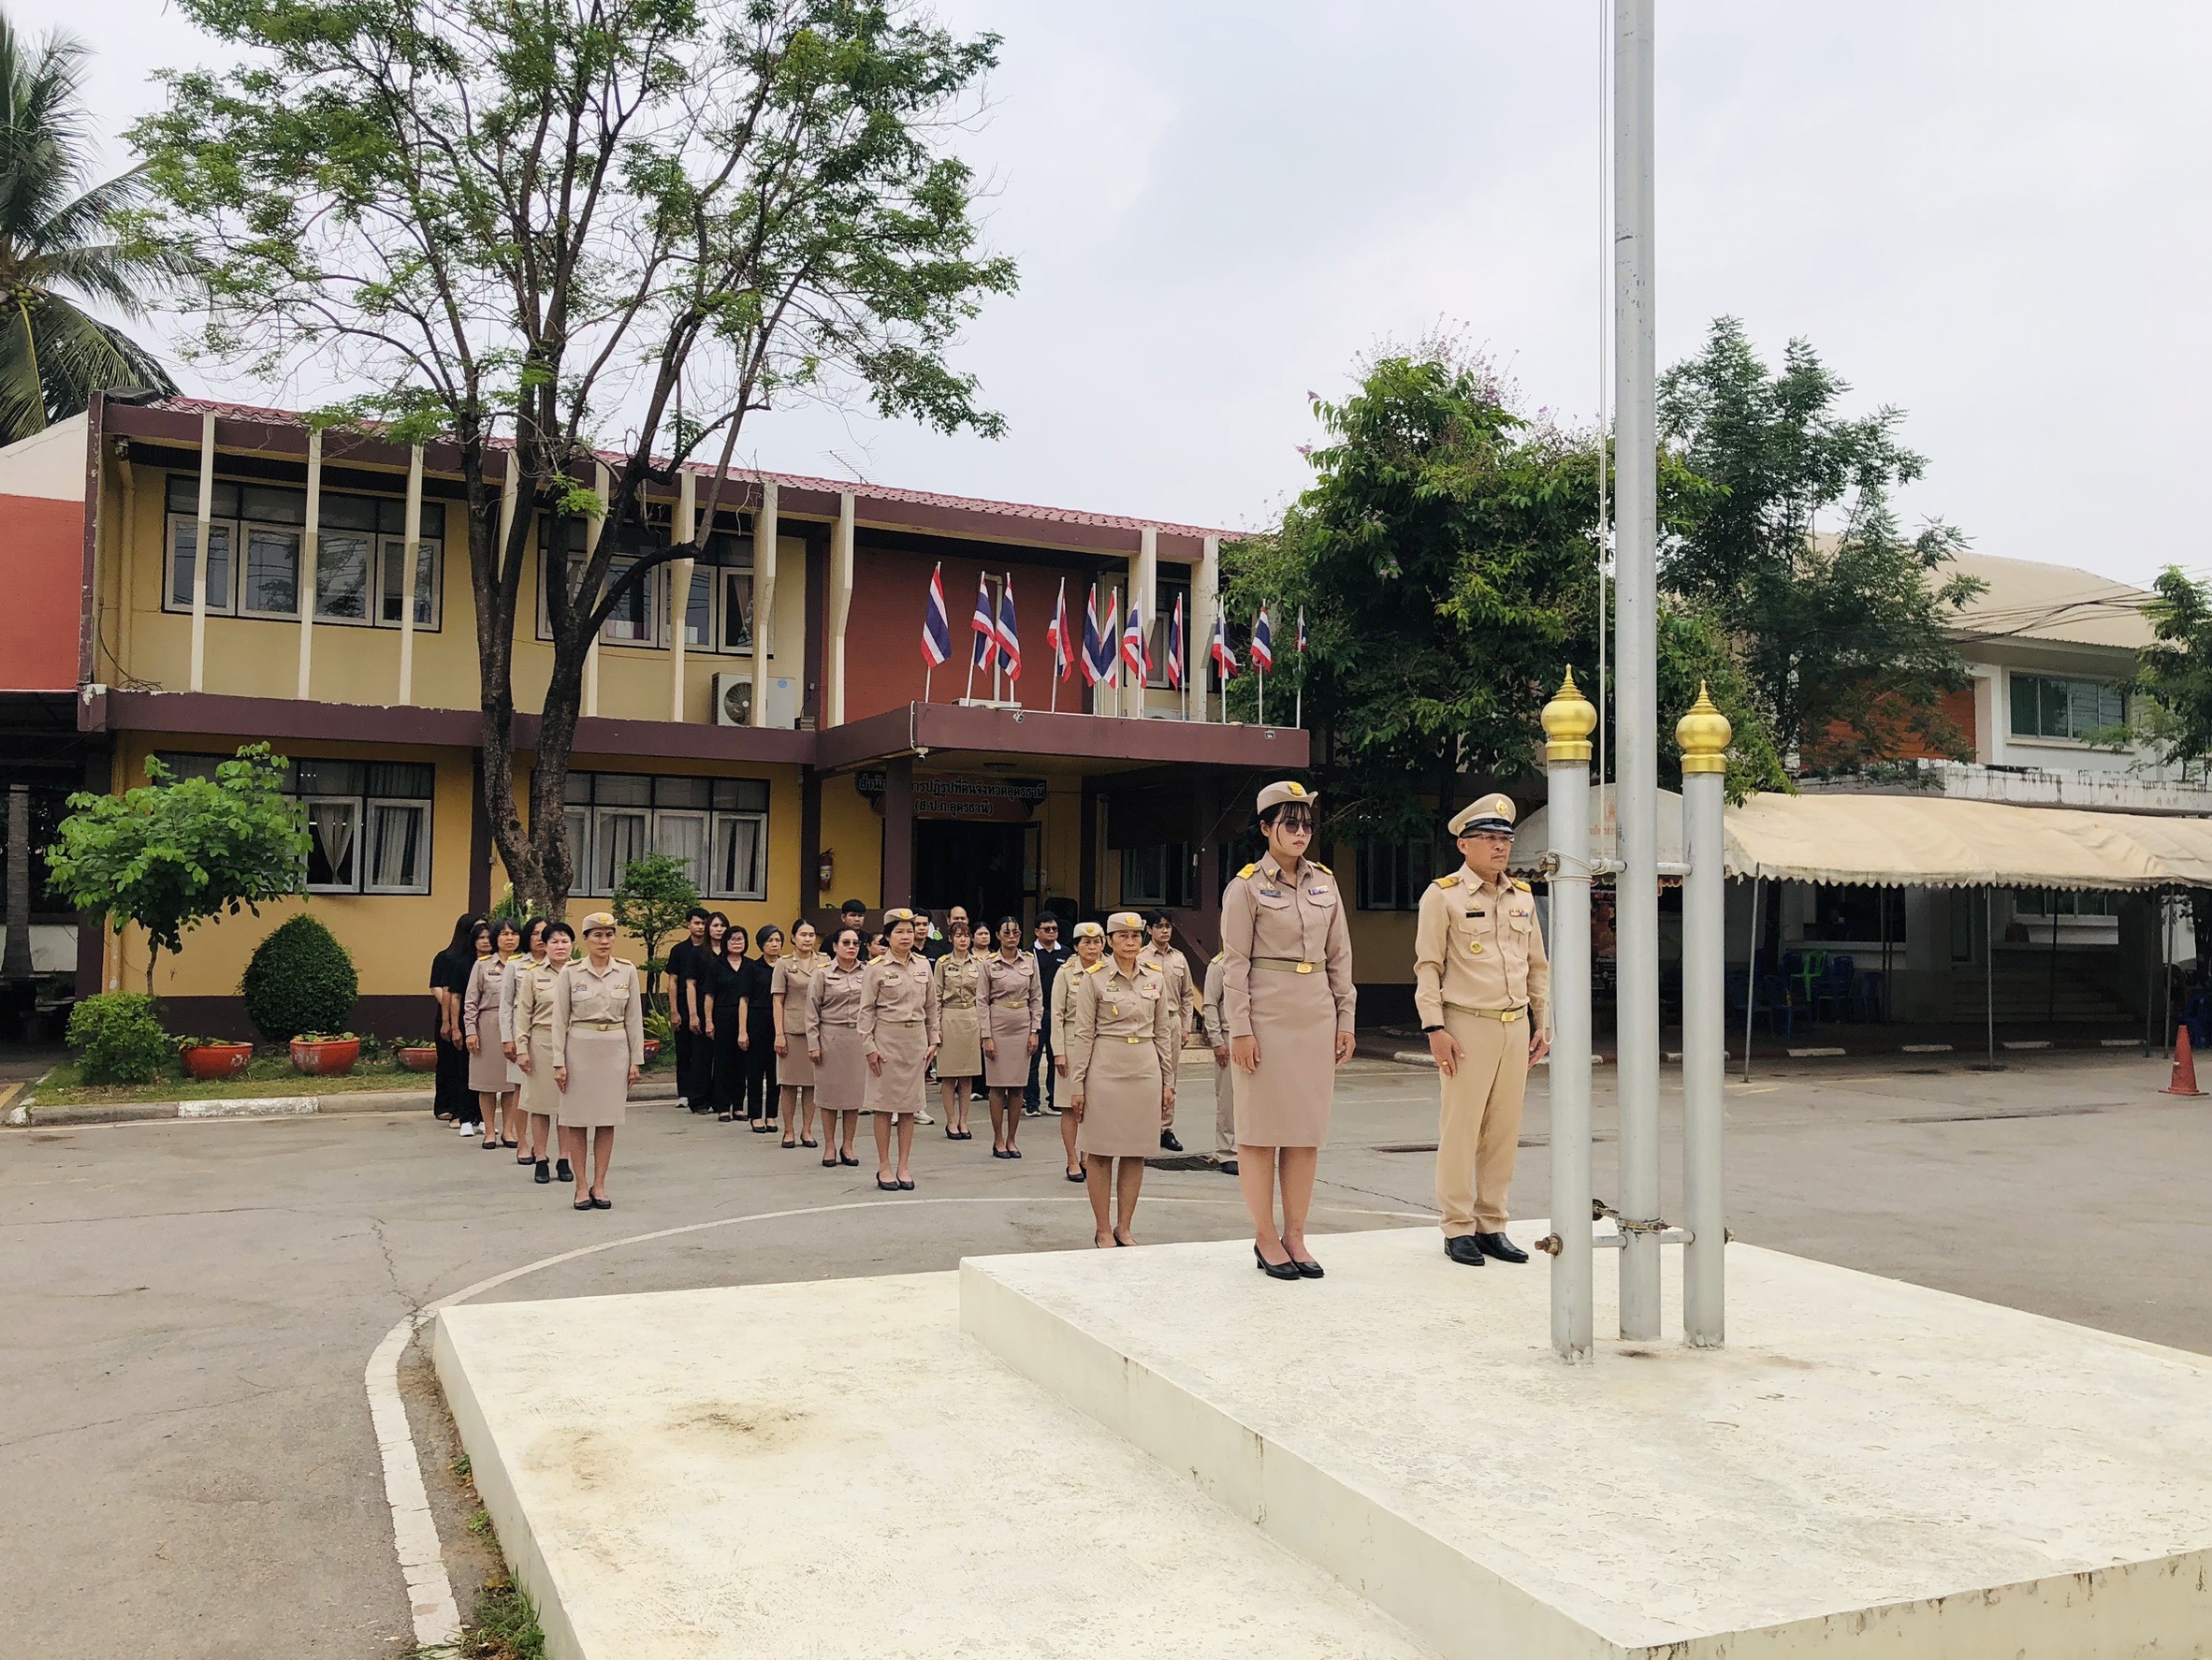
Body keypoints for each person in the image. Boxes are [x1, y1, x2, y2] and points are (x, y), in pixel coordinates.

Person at [1223, 779, 1355, 1281]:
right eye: (1290, 823)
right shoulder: (1246, 887)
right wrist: (1240, 1029)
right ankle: (1265, 1235)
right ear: (1266, 828)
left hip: (1314, 1015)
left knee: (1304, 1134)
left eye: (1307, 824)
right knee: (1259, 1134)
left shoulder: (1326, 883)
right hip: (1265, 1016)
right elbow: (1234, 964)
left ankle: (1297, 1233)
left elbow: (1339, 955)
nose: (1301, 833)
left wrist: (1346, 1017)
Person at [1417, 794, 1550, 1268]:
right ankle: (1457, 1226)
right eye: (1490, 839)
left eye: (1505, 839)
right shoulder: (1444, 895)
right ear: (1463, 844)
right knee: (1461, 1129)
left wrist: (1543, 1022)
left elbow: (1537, 965)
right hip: (1465, 1025)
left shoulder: (1523, 896)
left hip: (1514, 1026)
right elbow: (1428, 966)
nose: (1500, 847)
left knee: (1503, 1131)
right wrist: (1434, 1027)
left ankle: (1492, 1222)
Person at [1067, 911, 1177, 1248]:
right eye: (1122, 937)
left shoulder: (1155, 978)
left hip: (1144, 1069)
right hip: (1105, 1068)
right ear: (1109, 942)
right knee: (1100, 1151)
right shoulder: (1094, 978)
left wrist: (1168, 1081)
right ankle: (1102, 1228)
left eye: (1135, 936)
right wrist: (1077, 1084)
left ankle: (1124, 1227)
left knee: (1135, 1151)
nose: (1130, 942)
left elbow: (1163, 1032)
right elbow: (1083, 1034)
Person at [551, 911, 644, 1211]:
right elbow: (559, 1020)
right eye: (597, 935)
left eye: (609, 935)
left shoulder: (627, 971)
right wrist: (558, 1061)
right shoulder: (571, 972)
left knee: (607, 1121)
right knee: (576, 1121)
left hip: (615, 1051)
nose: (604, 941)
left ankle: (600, 1184)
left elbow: (633, 1018)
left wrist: (635, 1059)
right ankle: (580, 1186)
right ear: (587, 940)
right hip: (579, 1049)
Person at [861, 908, 938, 1191]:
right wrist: (869, 1046)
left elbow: (931, 1006)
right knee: (883, 1107)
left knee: (910, 1107)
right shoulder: (876, 968)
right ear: (888, 937)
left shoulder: (923, 965)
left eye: (910, 931)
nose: (906, 936)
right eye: (900, 932)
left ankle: (904, 1166)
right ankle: (884, 1166)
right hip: (886, 1041)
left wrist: (934, 1041)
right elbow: (866, 1011)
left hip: (915, 1041)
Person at [511, 921, 574, 1184]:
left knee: (568, 1106)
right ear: (544, 946)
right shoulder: (533, 975)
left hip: (573, 1044)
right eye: (554, 942)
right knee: (539, 1104)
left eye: (565, 941)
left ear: (573, 945)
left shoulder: (580, 972)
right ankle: (541, 1158)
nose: (560, 946)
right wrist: (521, 1050)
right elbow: (522, 1014)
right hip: (541, 1042)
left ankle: (564, 1158)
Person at [808, 925, 869, 1170]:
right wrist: (813, 1044)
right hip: (830, 1037)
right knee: (829, 1096)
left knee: (853, 1097)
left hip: (857, 1038)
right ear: (834, 947)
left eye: (855, 943)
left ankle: (849, 1145)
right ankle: (830, 1145)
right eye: (846, 943)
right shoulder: (822, 974)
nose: (851, 947)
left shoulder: (867, 972)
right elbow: (811, 1011)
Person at [981, 915, 1041, 1158]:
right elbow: (982, 1001)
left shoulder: (1029, 961)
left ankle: (1012, 1138)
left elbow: (1037, 997)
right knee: (997, 1087)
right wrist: (986, 1035)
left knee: (1017, 1088)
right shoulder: (989, 964)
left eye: (1015, 932)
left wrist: (1035, 1030)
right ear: (998, 936)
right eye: (1006, 933)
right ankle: (997, 1139)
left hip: (1022, 1024)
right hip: (998, 1023)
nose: (1012, 937)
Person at [1139, 911, 1200, 1152]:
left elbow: (1187, 996)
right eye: (1159, 926)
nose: (1164, 931)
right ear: (1149, 930)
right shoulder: (1140, 956)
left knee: (1169, 1077)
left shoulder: (1179, 959)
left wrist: (1186, 1027)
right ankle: (1144, 1128)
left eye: (1168, 926)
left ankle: (1165, 1128)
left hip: (1172, 1022)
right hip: (1146, 1023)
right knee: (1145, 1076)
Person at [1051, 921, 1106, 1181]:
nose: (1092, 947)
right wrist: (1058, 1051)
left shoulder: (1110, 970)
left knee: (1094, 1107)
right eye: (1086, 942)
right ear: (1076, 946)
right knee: (1069, 1105)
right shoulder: (1065, 973)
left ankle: (1088, 1155)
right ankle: (1072, 1159)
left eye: (1097, 942)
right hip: (1072, 1042)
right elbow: (1057, 1015)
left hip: (1101, 1042)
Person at [464, 918, 524, 1152]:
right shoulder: (482, 965)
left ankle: (508, 1130)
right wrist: (470, 1031)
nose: (510, 938)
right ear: (495, 939)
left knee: (512, 1083)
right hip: (488, 1025)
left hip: (518, 1025)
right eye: (504, 934)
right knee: (486, 1083)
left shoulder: (525, 965)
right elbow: (470, 1001)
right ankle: (489, 1130)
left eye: (514, 933)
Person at [500, 918, 552, 1169]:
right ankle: (522, 1143)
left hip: (550, 1039)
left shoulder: (564, 965)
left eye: (546, 934)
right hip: (522, 1037)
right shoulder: (516, 965)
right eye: (536, 934)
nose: (541, 939)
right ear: (527, 937)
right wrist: (507, 1038)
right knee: (522, 1093)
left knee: (548, 1096)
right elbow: (506, 1004)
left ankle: (543, 1147)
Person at [930, 916, 983, 1139]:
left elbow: (982, 997)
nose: (963, 940)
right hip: (949, 1018)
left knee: (967, 1075)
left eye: (966, 936)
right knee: (949, 1075)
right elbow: (936, 997)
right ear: (951, 939)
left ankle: (964, 1121)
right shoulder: (942, 963)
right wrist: (936, 1026)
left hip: (971, 1017)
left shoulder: (980, 964)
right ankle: (951, 1121)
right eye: (959, 936)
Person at [773, 920, 824, 1149]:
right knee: (789, 1084)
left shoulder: (824, 961)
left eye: (811, 934)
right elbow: (777, 1000)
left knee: (812, 1084)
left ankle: (807, 1130)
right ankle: (789, 1131)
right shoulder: (783, 964)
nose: (807, 939)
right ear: (793, 937)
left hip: (819, 1030)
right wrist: (779, 1034)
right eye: (803, 934)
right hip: (792, 1029)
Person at [429, 913, 482, 1130]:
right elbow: (438, 987)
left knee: (468, 1067)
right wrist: (453, 1013)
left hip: (475, 1018)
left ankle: (470, 1111)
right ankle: (445, 1105)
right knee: (448, 1064)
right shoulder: (446, 957)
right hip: (450, 1016)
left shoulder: (481, 960)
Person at [704, 924, 751, 1123]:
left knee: (742, 1064)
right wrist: (708, 1021)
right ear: (726, 942)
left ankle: (739, 1106)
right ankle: (723, 1107)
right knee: (723, 1063)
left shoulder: (750, 965)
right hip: (722, 1017)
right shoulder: (716, 965)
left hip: (746, 1020)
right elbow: (709, 995)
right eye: (732, 939)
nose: (736, 943)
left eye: (740, 939)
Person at [1025, 912, 1070, 1117]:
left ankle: (1055, 1101)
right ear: (1036, 931)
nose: (1052, 933)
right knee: (1032, 1059)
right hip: (1036, 1012)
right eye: (1047, 929)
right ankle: (1032, 1102)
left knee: (1056, 1058)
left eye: (1055, 929)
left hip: (1059, 1012)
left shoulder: (1066, 954)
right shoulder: (1028, 954)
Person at [666, 907, 710, 1111]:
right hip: (684, 1003)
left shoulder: (713, 950)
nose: (701, 927)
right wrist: (674, 1010)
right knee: (684, 1050)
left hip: (707, 1004)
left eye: (704, 923)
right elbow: (673, 981)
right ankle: (684, 1093)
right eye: (697, 923)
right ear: (688, 925)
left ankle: (703, 1093)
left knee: (704, 1051)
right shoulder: (679, 950)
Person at [740, 926, 783, 1130]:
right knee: (755, 1072)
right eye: (770, 941)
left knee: (776, 1072)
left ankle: (772, 1115)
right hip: (757, 1020)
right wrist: (742, 1030)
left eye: (777, 940)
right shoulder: (752, 968)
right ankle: (755, 1115)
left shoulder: (785, 966)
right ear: (761, 945)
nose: (774, 944)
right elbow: (744, 1000)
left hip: (781, 1023)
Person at [1201, 947, 1236, 1175]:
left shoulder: (1258, 962)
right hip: (1229, 1035)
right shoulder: (1220, 965)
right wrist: (1216, 1040)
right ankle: (1228, 1152)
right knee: (1228, 1101)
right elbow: (1210, 1004)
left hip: (1258, 1038)